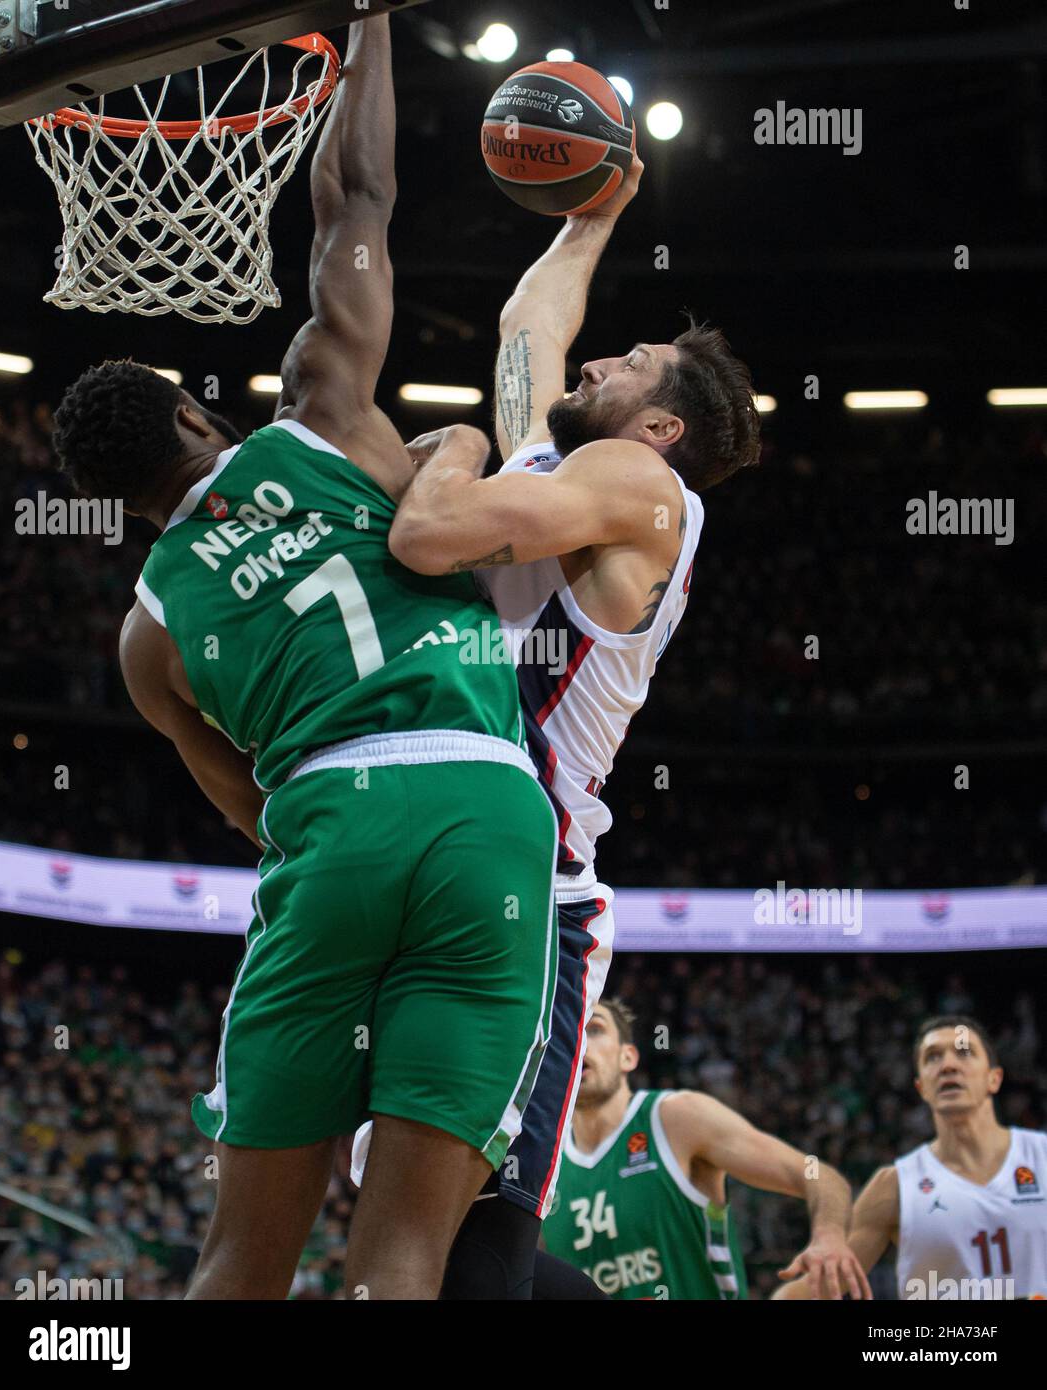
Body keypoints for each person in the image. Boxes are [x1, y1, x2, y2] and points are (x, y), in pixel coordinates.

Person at [50, 16, 557, 1301]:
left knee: (240, 1255)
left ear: (121, 502)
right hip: (487, 806)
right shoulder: (323, 406)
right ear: (189, 412)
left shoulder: (146, 638)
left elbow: (246, 807)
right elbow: (359, 195)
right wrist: (370, 24)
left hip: (329, 821)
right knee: (400, 1258)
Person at [377, 154, 762, 1298]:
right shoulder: (563, 464)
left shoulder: (649, 497)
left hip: (531, 891)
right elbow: (529, 322)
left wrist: (448, 447)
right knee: (418, 1213)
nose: (600, 356)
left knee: (483, 1221)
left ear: (658, 426)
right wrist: (599, 209)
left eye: (632, 364)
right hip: (443, 849)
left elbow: (423, 537)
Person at [542, 1000, 870, 1300]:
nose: (579, 1041)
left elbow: (816, 1171)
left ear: (628, 1056)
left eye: (594, 1029)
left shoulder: (676, 1118)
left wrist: (828, 1236)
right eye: (569, 1030)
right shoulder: (543, 1163)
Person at [773, 1016, 1047, 1301]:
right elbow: (810, 1291)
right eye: (933, 1058)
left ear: (994, 1078)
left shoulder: (1042, 1157)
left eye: (964, 1052)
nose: (948, 1065)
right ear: (922, 1088)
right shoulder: (896, 1186)